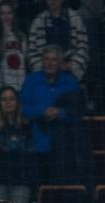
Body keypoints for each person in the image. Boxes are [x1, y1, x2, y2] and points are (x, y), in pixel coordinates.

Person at [21, 46, 86, 185]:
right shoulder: (31, 81)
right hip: (38, 143)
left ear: (60, 62)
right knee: (40, 186)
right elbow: (24, 108)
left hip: (65, 146)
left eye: (54, 59)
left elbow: (79, 111)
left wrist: (60, 113)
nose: (49, 63)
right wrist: (43, 112)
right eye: (46, 59)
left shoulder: (71, 82)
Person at [0, 87, 36, 203]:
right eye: (4, 99)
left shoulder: (26, 125)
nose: (8, 102)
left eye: (11, 99)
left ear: (17, 102)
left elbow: (30, 154)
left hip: (21, 180)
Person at [27, 0, 89, 81]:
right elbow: (32, 52)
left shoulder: (75, 18)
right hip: (44, 75)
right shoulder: (38, 21)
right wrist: (42, 70)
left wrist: (70, 66)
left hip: (71, 74)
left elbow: (83, 47)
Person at [0, 0, 28, 90]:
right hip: (3, 82)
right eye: (2, 13)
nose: (6, 17)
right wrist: (5, 35)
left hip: (20, 80)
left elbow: (24, 59)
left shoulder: (21, 36)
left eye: (9, 13)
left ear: (14, 15)